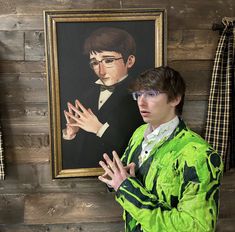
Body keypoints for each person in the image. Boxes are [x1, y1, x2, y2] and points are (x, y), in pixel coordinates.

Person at [98, 66, 223, 232]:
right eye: (138, 94)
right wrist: (115, 179)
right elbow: (126, 181)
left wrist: (126, 188)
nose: (141, 102)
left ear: (175, 98)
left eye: (151, 94)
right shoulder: (139, 133)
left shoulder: (199, 154)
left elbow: (197, 227)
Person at [62, 27, 143, 169]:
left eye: (108, 60)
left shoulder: (141, 96)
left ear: (129, 61)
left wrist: (99, 128)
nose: (100, 71)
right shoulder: (86, 95)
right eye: (94, 62)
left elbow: (137, 147)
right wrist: (70, 135)